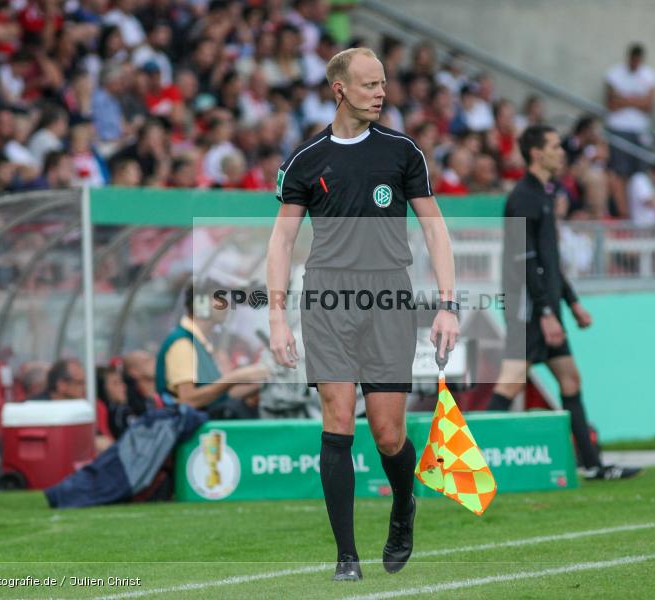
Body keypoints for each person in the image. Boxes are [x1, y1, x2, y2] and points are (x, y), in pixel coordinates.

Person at [266, 47, 459, 580]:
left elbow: (435, 229)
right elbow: (282, 240)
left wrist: (447, 305)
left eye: (383, 84)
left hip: (389, 297)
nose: (381, 93)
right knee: (336, 417)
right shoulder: (305, 160)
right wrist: (277, 316)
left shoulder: (402, 153)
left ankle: (403, 506)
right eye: (370, 85)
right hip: (327, 297)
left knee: (388, 434)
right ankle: (346, 556)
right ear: (340, 90)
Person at [488, 125, 641, 481]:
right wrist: (544, 312)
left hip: (544, 307)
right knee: (510, 384)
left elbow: (549, 258)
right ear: (537, 153)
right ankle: (465, 464)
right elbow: (523, 259)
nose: (562, 152)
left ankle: (592, 465)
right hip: (528, 308)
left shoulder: (545, 193)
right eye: (555, 146)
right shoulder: (522, 197)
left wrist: (572, 303)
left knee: (570, 380)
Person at [155, 282, 268, 419]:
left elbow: (218, 396)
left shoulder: (201, 343)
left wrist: (266, 380)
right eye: (219, 298)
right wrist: (233, 378)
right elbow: (188, 399)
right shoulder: (182, 342)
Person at [604, 43, 655, 217]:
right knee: (620, 172)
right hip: (619, 128)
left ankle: (637, 214)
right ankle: (623, 213)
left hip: (639, 130)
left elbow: (649, 105)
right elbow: (612, 103)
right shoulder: (614, 73)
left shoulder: (649, 75)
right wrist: (637, 101)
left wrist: (624, 99)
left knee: (640, 175)